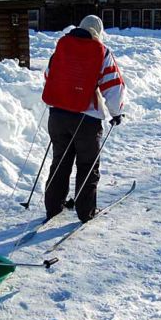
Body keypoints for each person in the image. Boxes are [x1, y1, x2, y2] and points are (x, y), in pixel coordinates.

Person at [41, 15, 126, 223]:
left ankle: (53, 208)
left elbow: (48, 75)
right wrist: (116, 112)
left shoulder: (62, 47)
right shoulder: (101, 51)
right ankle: (85, 211)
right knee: (87, 165)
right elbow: (114, 85)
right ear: (99, 32)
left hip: (57, 115)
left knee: (60, 161)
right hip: (86, 120)